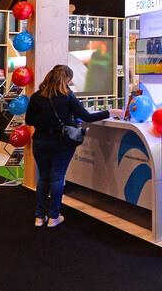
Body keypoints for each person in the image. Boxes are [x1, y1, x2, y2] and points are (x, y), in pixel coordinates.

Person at [25, 65, 125, 227]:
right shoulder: (67, 96)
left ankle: (39, 217)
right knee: (57, 178)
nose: (70, 83)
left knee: (43, 178)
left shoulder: (36, 96)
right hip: (61, 143)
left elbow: (29, 121)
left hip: (40, 142)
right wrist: (111, 112)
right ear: (65, 79)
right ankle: (54, 217)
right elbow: (87, 117)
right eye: (69, 80)